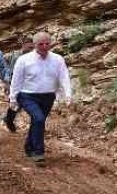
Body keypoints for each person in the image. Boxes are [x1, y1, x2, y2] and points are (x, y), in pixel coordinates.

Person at [10, 32, 72, 164]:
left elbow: (64, 77)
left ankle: (29, 147)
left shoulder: (58, 59)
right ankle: (39, 152)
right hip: (27, 95)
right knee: (39, 119)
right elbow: (16, 80)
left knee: (37, 121)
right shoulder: (24, 60)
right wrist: (13, 98)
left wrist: (67, 94)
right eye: (41, 44)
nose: (44, 47)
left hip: (48, 95)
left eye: (47, 44)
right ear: (34, 45)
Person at [2, 36, 35, 132]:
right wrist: (6, 80)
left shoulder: (32, 57)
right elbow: (2, 62)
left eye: (32, 48)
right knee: (16, 103)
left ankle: (8, 119)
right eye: (29, 47)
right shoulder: (14, 55)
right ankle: (9, 120)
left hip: (27, 84)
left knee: (21, 104)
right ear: (23, 45)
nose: (31, 50)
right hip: (13, 83)